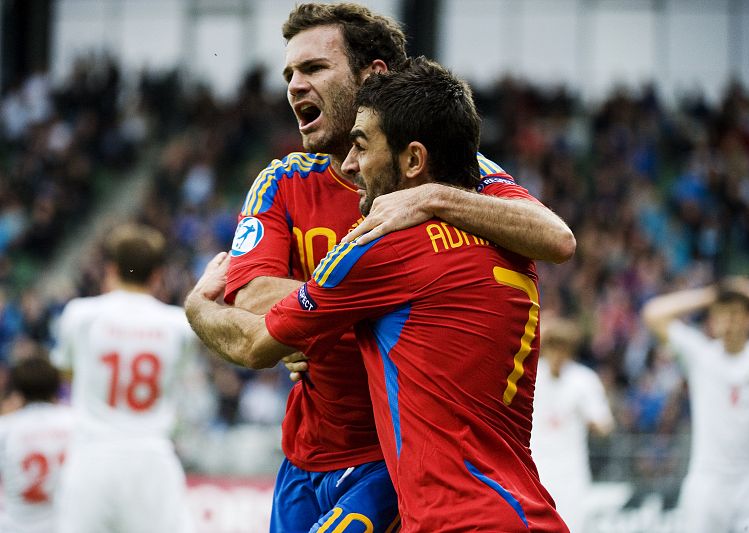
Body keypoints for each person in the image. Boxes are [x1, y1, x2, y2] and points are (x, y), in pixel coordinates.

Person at [213, 3, 575, 531]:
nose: (294, 85)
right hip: (306, 452)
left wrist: (431, 199)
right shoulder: (281, 182)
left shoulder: (454, 172)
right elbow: (250, 299)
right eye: (289, 73)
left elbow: (556, 238)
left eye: (314, 69)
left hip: (392, 458)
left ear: (372, 75)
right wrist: (339, 313)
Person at [51, 223, 196, 533]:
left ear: (111, 269)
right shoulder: (178, 325)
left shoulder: (80, 315)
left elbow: (66, 374)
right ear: (158, 275)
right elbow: (179, 380)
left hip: (92, 455)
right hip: (153, 457)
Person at [642, 276, 749, 533]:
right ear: (712, 320)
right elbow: (653, 313)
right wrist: (711, 294)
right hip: (707, 488)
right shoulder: (699, 355)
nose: (729, 321)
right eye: (722, 314)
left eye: (737, 314)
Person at [529, 316, 614, 533]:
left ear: (570, 350)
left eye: (563, 348)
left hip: (571, 473)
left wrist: (594, 423)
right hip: (535, 470)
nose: (558, 354)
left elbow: (604, 425)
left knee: (571, 526)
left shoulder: (584, 380)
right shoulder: (532, 375)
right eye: (553, 347)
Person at [0, 357, 73, 533]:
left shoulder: (5, 429)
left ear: (17, 391)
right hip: (66, 524)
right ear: (57, 386)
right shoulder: (76, 423)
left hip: (17, 526)